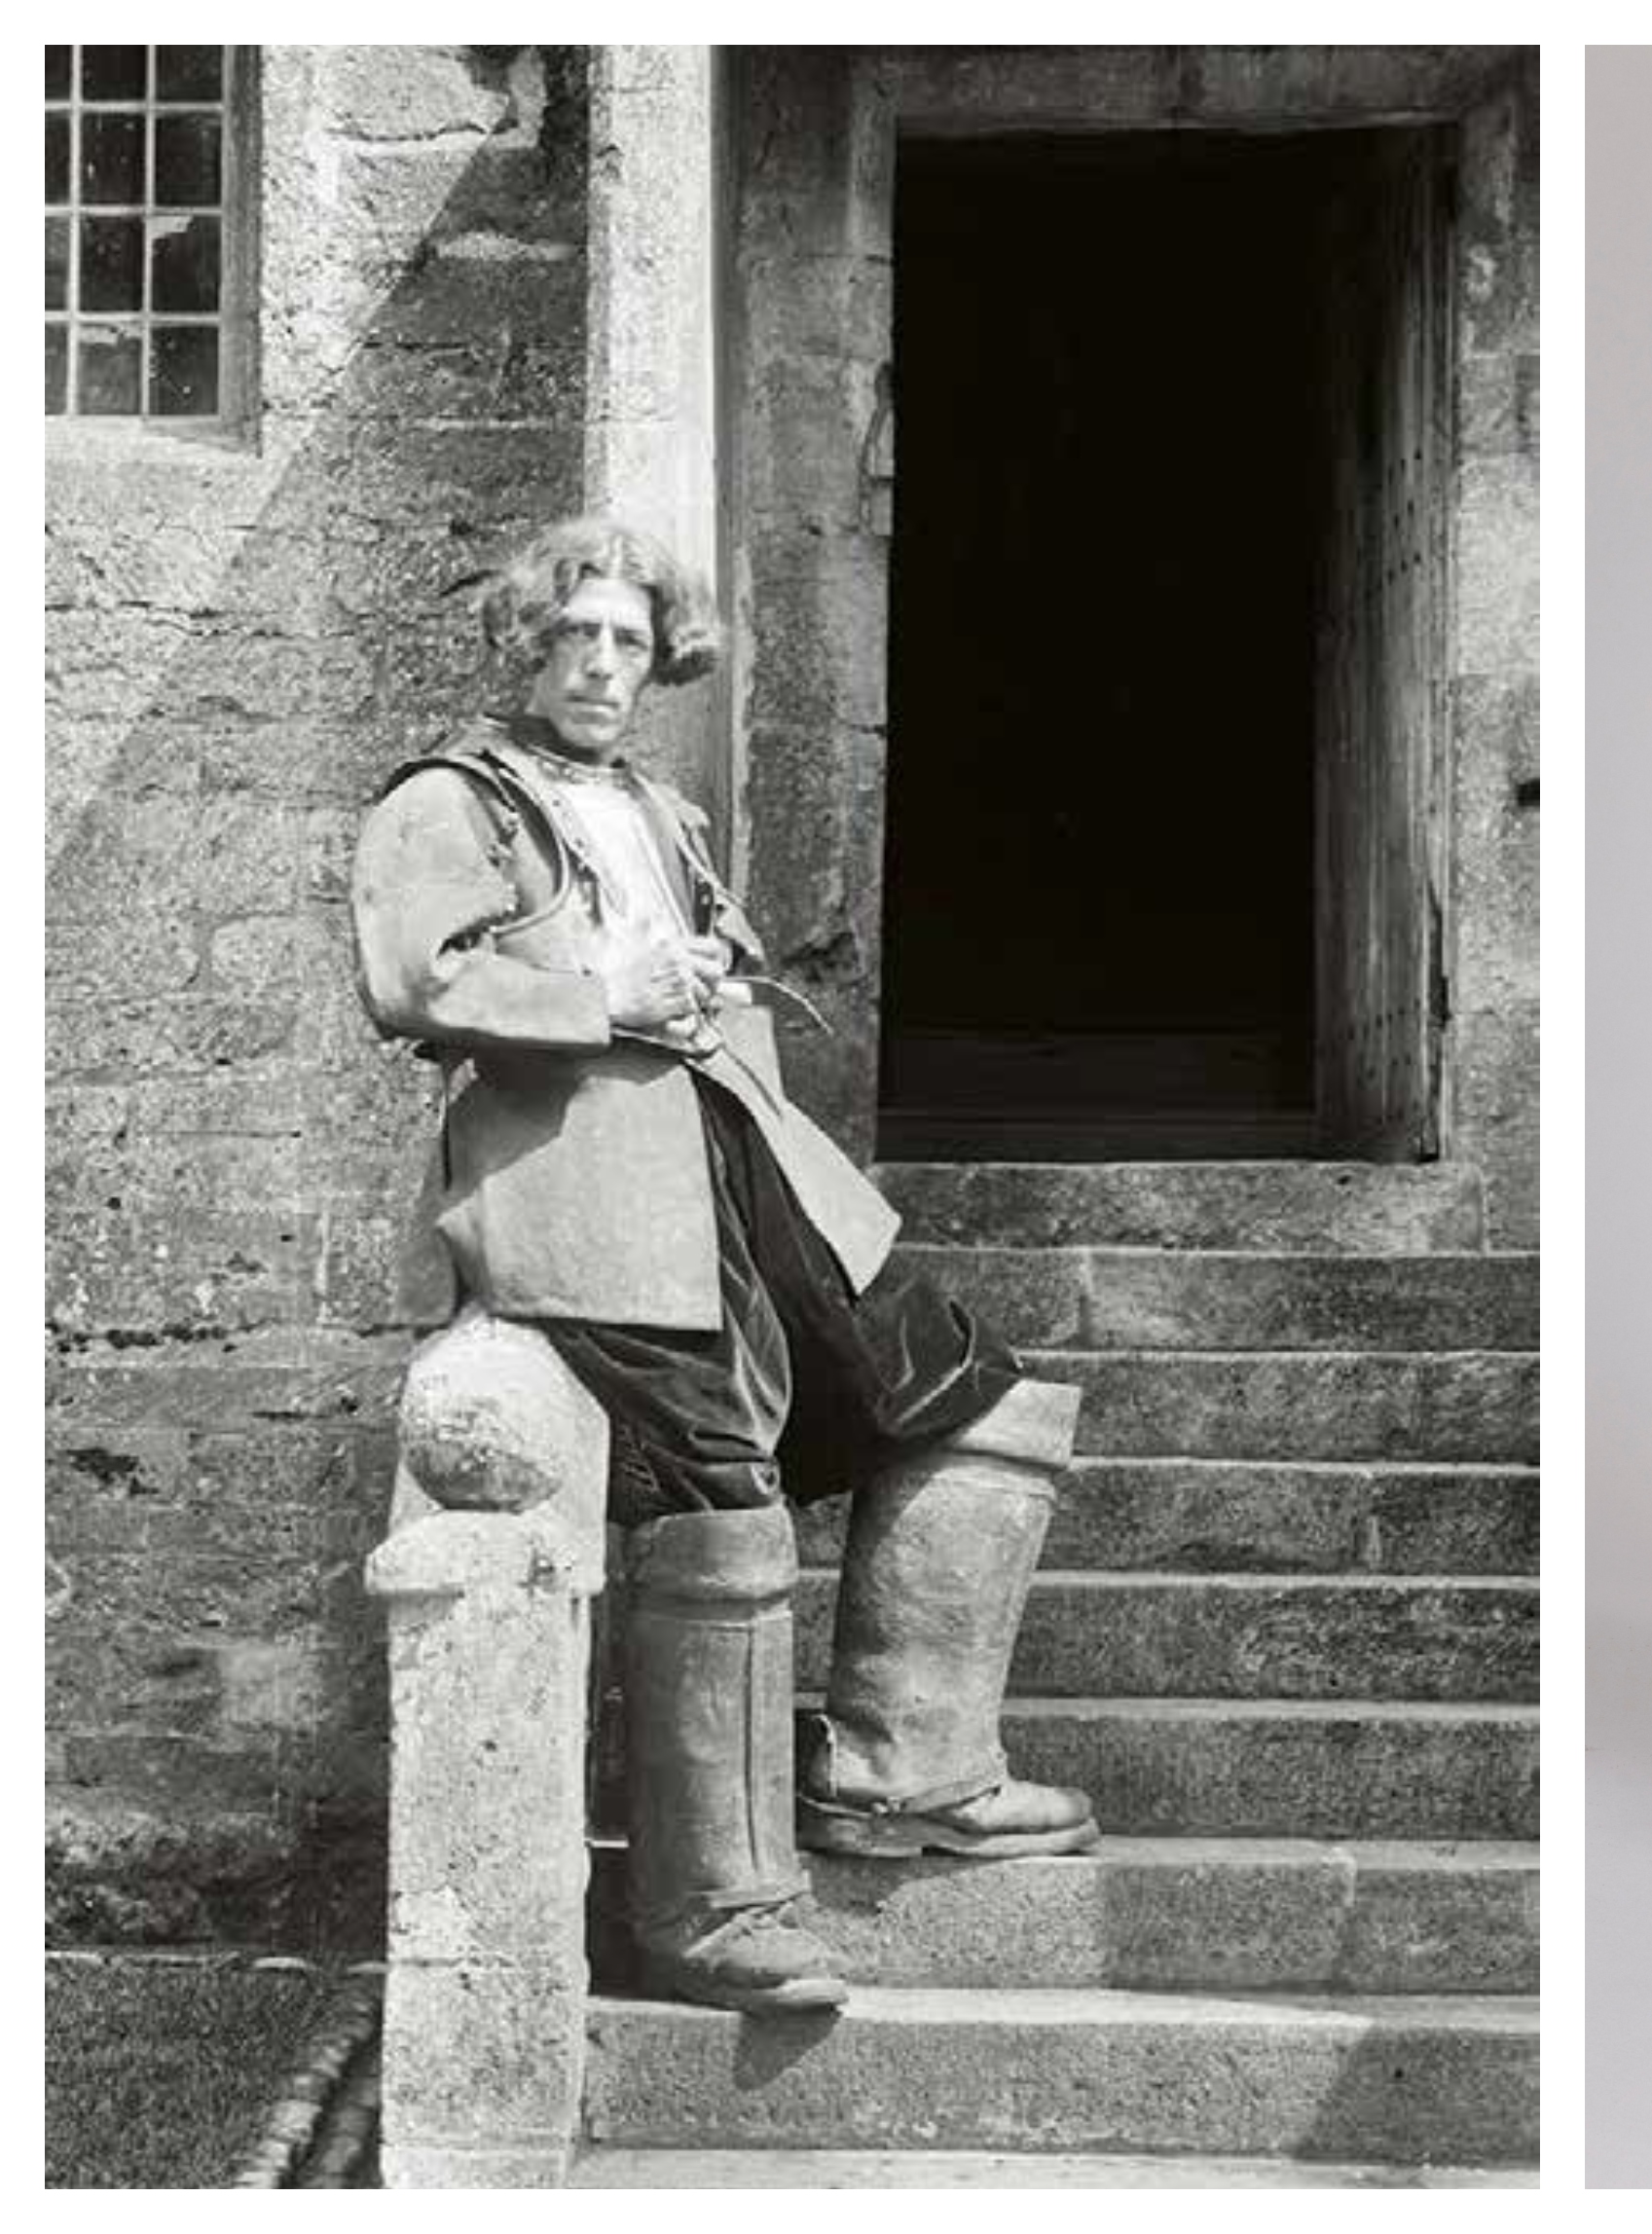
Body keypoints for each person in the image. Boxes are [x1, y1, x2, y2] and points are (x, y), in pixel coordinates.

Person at [350, 518, 1096, 2014]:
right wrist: (605, 989)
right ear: (526, 646)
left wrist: (703, 972)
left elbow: (702, 953)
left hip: (745, 1161)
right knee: (720, 1498)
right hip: (587, 1194)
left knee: (980, 1398)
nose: (603, 666)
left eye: (629, 641)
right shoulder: (451, 799)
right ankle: (706, 1907)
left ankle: (910, 1766)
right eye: (574, 638)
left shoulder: (656, 806)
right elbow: (411, 980)